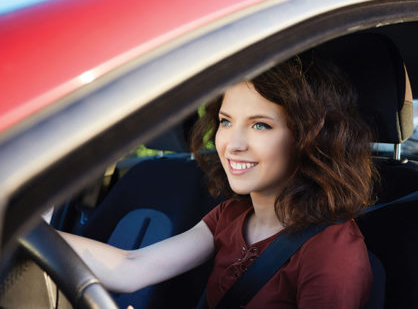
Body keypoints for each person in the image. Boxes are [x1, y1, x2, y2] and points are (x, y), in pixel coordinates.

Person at [60, 54, 376, 308]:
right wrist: (20, 232)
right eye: (226, 122)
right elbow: (132, 266)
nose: (231, 143)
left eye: (261, 126)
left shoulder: (332, 252)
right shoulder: (231, 215)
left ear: (309, 138)